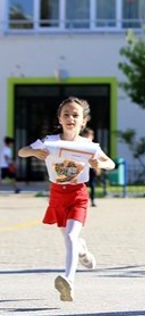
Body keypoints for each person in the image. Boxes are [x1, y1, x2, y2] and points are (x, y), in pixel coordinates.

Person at [17, 97, 115, 302]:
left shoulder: (89, 146)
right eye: (66, 114)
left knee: (70, 236)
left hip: (78, 194)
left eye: (75, 115)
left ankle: (68, 280)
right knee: (70, 238)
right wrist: (35, 153)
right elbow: (22, 151)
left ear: (84, 121)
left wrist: (99, 162)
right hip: (57, 195)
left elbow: (111, 164)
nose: (71, 118)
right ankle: (84, 253)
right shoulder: (49, 141)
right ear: (59, 119)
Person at [80, 127, 99, 207]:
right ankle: (82, 200)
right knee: (83, 185)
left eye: (89, 136)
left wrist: (98, 168)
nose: (88, 137)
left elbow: (98, 159)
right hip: (83, 168)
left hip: (92, 169)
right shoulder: (80, 146)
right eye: (86, 135)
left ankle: (93, 200)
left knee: (93, 186)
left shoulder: (94, 146)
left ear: (92, 137)